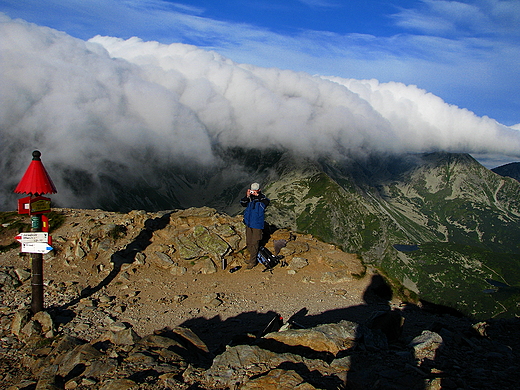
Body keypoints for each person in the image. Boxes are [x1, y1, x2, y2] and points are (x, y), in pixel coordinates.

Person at [240, 182, 270, 269]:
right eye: (252, 190)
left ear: (259, 190)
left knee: (255, 242)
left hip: (257, 224)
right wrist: (247, 196)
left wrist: (258, 196)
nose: (253, 192)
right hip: (248, 223)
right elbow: (242, 203)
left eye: (255, 191)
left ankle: (252, 262)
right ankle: (253, 258)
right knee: (249, 242)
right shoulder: (250, 198)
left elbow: (266, 202)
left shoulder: (262, 199)